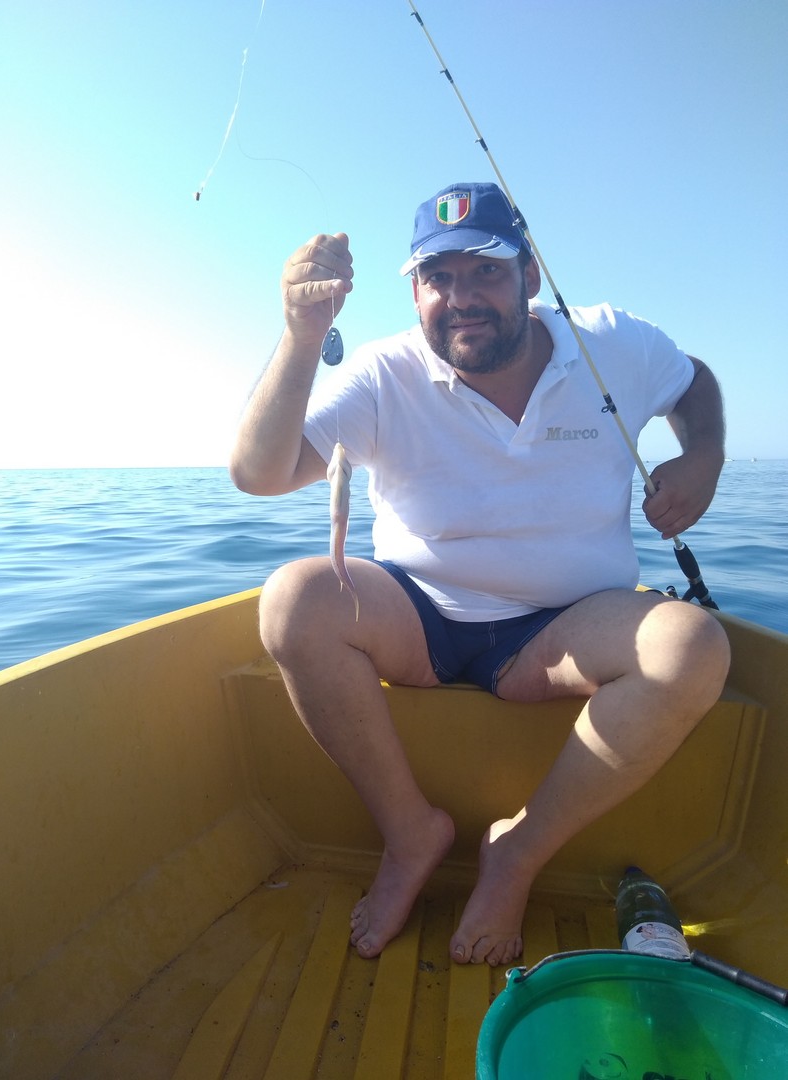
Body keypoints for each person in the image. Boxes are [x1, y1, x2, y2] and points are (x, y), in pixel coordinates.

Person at [229, 182, 730, 967]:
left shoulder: (610, 341)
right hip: (418, 615)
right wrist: (300, 335)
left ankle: (516, 854)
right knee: (294, 599)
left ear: (529, 274)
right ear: (416, 292)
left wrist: (705, 456)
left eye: (486, 272)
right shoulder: (384, 371)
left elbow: (691, 380)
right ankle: (409, 834)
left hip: (564, 628)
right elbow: (260, 473)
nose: (461, 298)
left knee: (693, 648)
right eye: (438, 278)